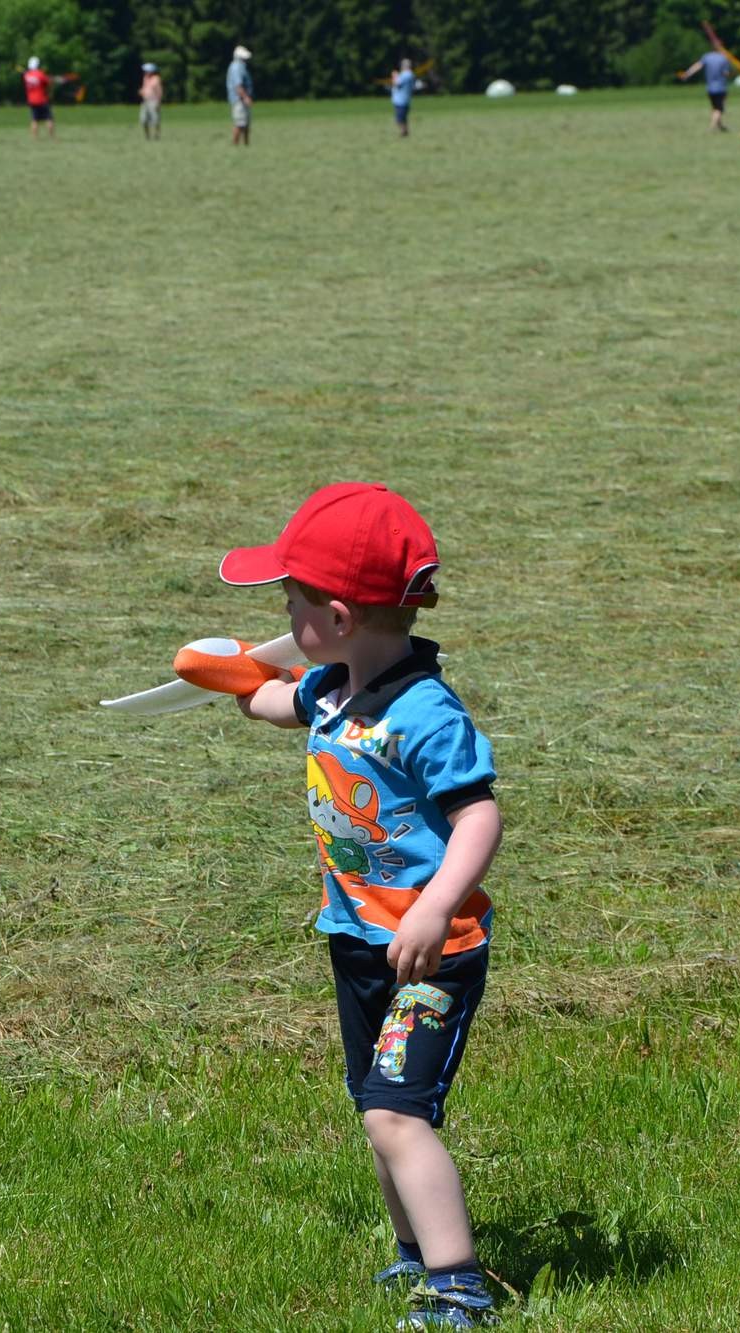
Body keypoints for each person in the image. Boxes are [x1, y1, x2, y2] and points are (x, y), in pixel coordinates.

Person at [223, 483, 503, 1332]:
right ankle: (415, 1252)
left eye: (291, 601)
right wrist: (222, 670)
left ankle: (459, 1288)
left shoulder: (425, 714)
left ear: (338, 616)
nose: (284, 614)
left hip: (431, 949)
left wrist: (435, 907)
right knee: (375, 1107)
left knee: (395, 1110)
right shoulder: (330, 686)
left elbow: (479, 817)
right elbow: (270, 700)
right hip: (357, 938)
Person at [678, 45, 734, 132]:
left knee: (715, 108)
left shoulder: (707, 57)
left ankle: (720, 126)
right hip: (720, 87)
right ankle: (712, 127)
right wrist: (731, 73)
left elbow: (697, 66)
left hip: (710, 88)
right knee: (719, 109)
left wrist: (687, 73)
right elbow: (726, 73)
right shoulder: (723, 58)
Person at [20, 57, 54, 140]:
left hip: (31, 100)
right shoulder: (40, 74)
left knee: (34, 119)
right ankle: (52, 137)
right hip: (42, 99)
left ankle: (35, 138)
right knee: (49, 118)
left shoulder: (27, 75)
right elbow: (48, 83)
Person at [227, 45, 253, 147]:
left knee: (245, 123)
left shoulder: (240, 67)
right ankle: (235, 145)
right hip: (239, 100)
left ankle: (246, 145)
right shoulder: (237, 67)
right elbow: (238, 86)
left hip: (241, 100)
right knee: (240, 123)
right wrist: (245, 97)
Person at [388, 59, 417, 138]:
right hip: (404, 99)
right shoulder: (410, 74)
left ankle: (404, 132)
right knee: (403, 118)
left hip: (401, 100)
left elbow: (397, 83)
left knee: (399, 119)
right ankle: (405, 132)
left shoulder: (406, 75)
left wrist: (394, 75)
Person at [137, 62, 162, 140]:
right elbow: (145, 88)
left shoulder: (156, 79)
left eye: (146, 71)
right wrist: (142, 91)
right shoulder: (145, 78)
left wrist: (158, 102)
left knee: (155, 120)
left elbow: (159, 91)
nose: (145, 72)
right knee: (143, 120)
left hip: (153, 101)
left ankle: (156, 135)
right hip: (145, 101)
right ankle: (147, 136)